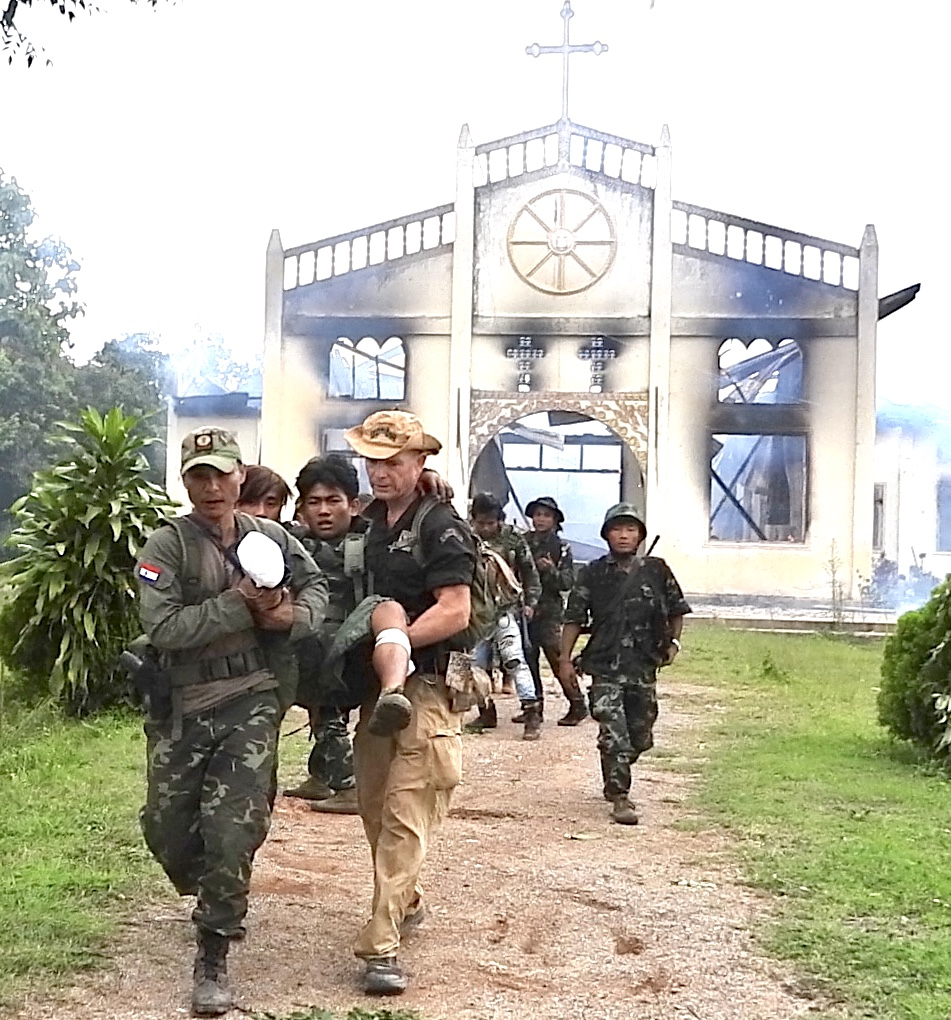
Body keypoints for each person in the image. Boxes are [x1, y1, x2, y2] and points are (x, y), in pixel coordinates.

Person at [134, 427, 328, 1016]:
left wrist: (289, 616)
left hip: (253, 698)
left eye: (222, 473)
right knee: (167, 828)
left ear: (241, 474)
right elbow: (164, 629)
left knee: (231, 829)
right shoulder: (165, 547)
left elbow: (318, 587)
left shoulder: (269, 537)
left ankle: (214, 946)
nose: (212, 485)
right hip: (183, 706)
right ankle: (215, 886)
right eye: (199, 475)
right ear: (185, 482)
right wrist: (237, 603)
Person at [344, 410, 476, 996]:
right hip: (379, 690)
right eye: (372, 461)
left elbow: (456, 609)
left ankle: (381, 946)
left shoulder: (440, 522)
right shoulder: (368, 523)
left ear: (420, 463)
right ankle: (407, 897)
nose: (381, 472)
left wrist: (393, 640)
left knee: (406, 811)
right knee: (373, 805)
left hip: (426, 688)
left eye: (393, 462)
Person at [560, 503, 691, 826]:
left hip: (644, 665)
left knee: (640, 735)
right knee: (613, 730)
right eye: (617, 529)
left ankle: (617, 762)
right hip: (604, 665)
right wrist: (564, 659)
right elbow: (575, 617)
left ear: (640, 535)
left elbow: (677, 609)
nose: (623, 535)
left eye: (630, 529)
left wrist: (673, 644)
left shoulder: (657, 570)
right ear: (606, 535)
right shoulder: (592, 573)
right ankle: (620, 795)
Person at [469, 492, 543, 740]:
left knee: (514, 660)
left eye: (491, 522)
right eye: (481, 523)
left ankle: (531, 713)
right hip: (475, 612)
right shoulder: (466, 538)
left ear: (499, 520)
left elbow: (530, 574)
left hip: (505, 610)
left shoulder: (513, 539)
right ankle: (485, 711)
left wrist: (530, 603)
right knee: (476, 666)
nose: (486, 528)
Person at [524, 496, 587, 725]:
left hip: (549, 613)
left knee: (559, 660)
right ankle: (534, 707)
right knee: (527, 661)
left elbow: (567, 582)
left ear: (555, 520)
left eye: (546, 515)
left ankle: (577, 703)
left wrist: (550, 571)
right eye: (538, 514)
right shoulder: (523, 542)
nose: (540, 519)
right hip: (525, 611)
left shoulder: (561, 548)